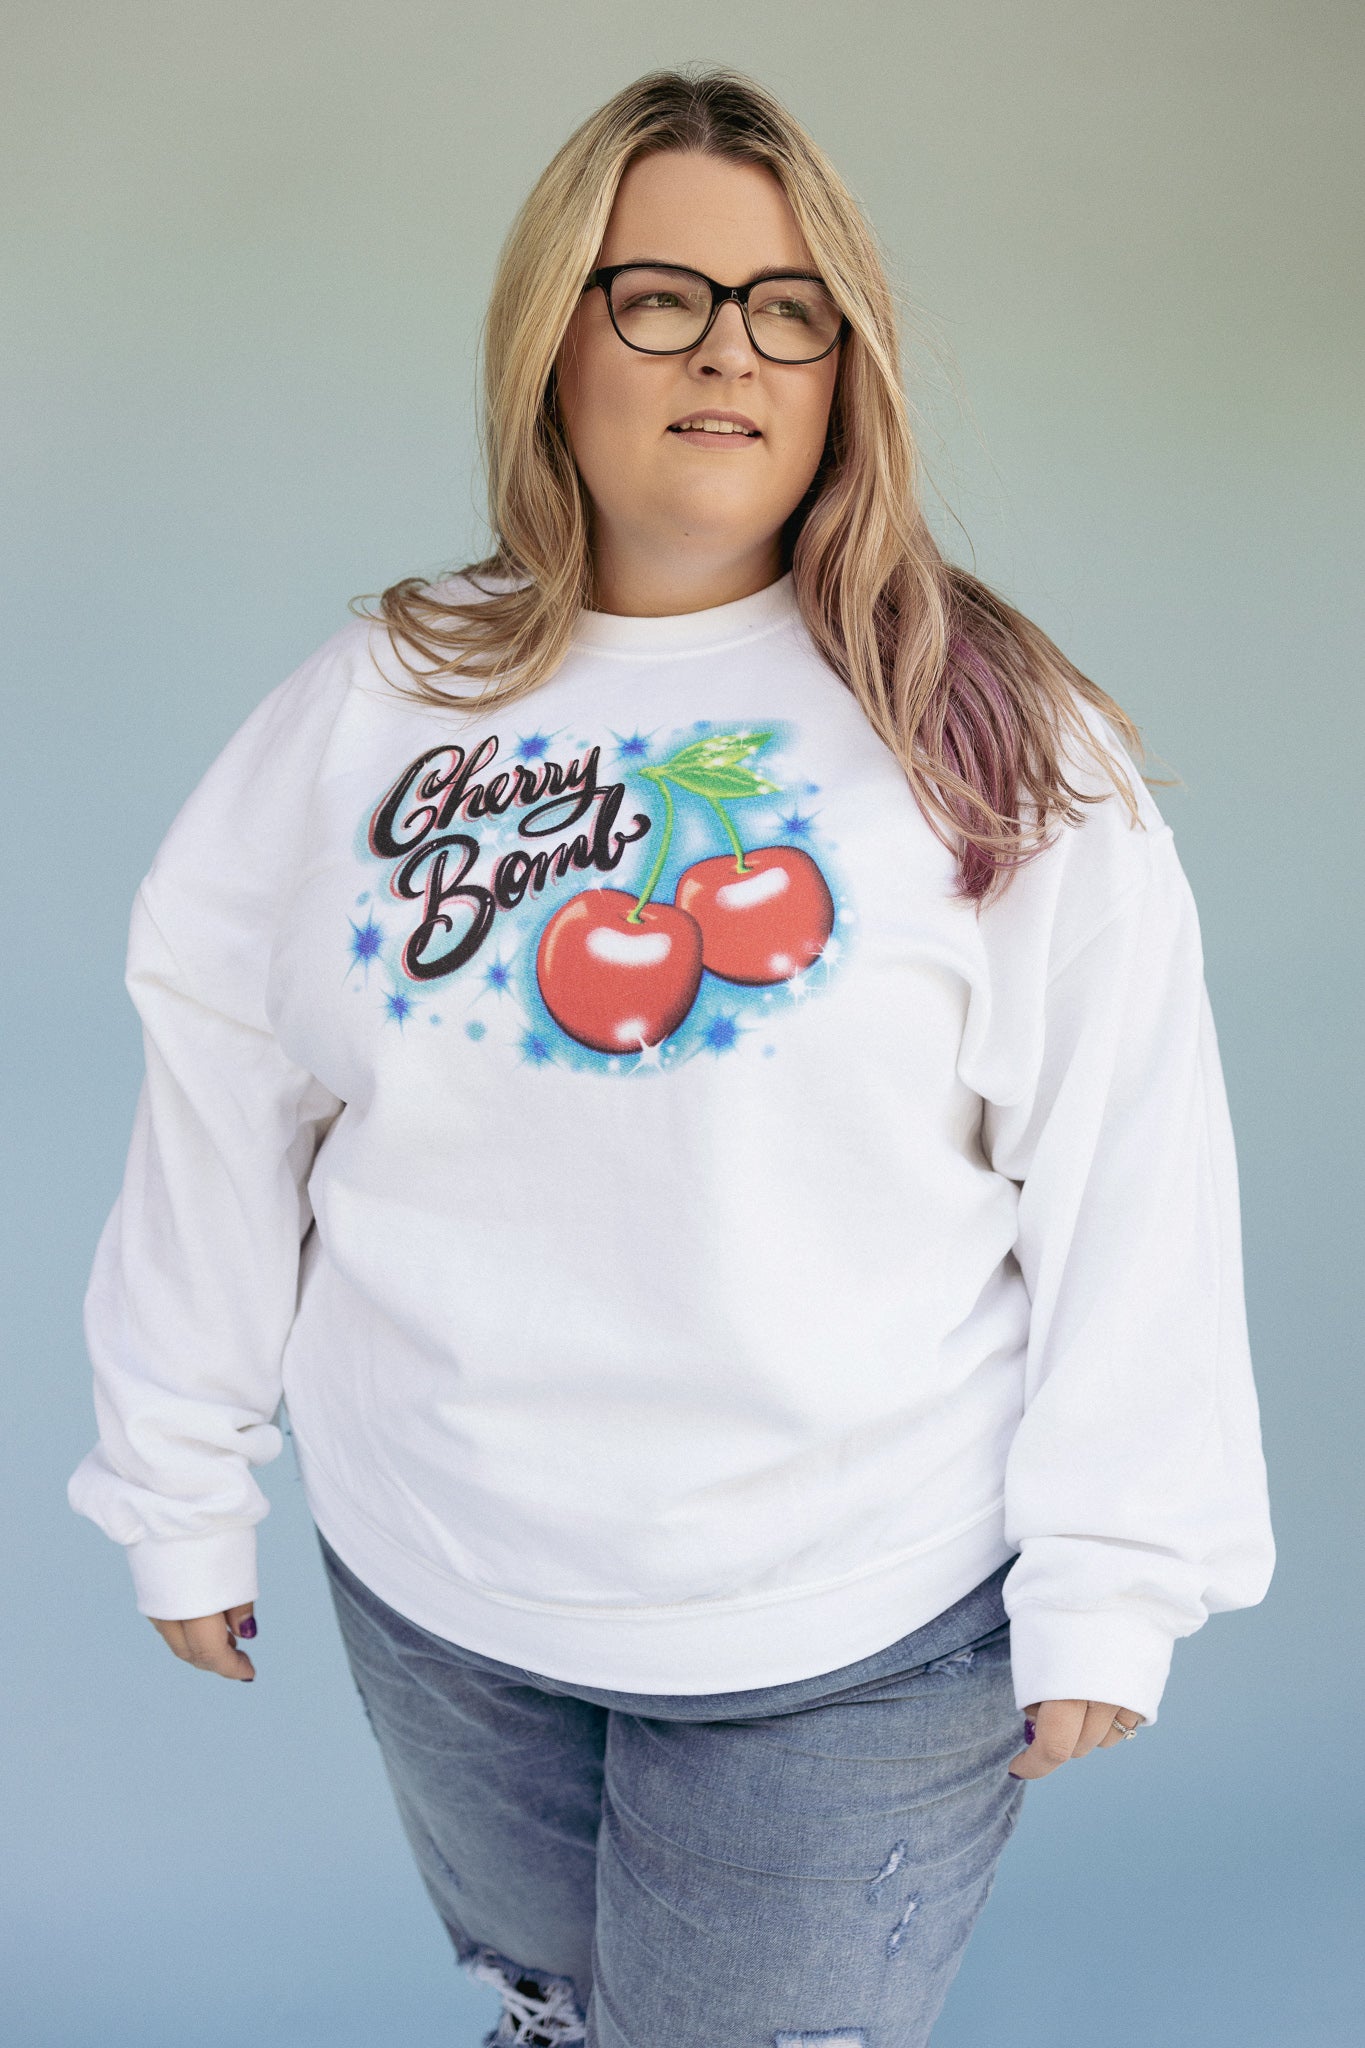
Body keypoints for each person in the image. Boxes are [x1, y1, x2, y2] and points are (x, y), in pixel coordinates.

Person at [68, 66, 1275, 2048]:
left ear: (843, 365)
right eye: (660, 295)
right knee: (558, 2013)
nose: (727, 350)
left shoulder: (980, 726)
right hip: (444, 1592)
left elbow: (1129, 1147)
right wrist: (175, 1467)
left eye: (785, 307)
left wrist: (1119, 1563)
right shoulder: (380, 697)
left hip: (847, 1618)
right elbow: (217, 1068)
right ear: (555, 336)